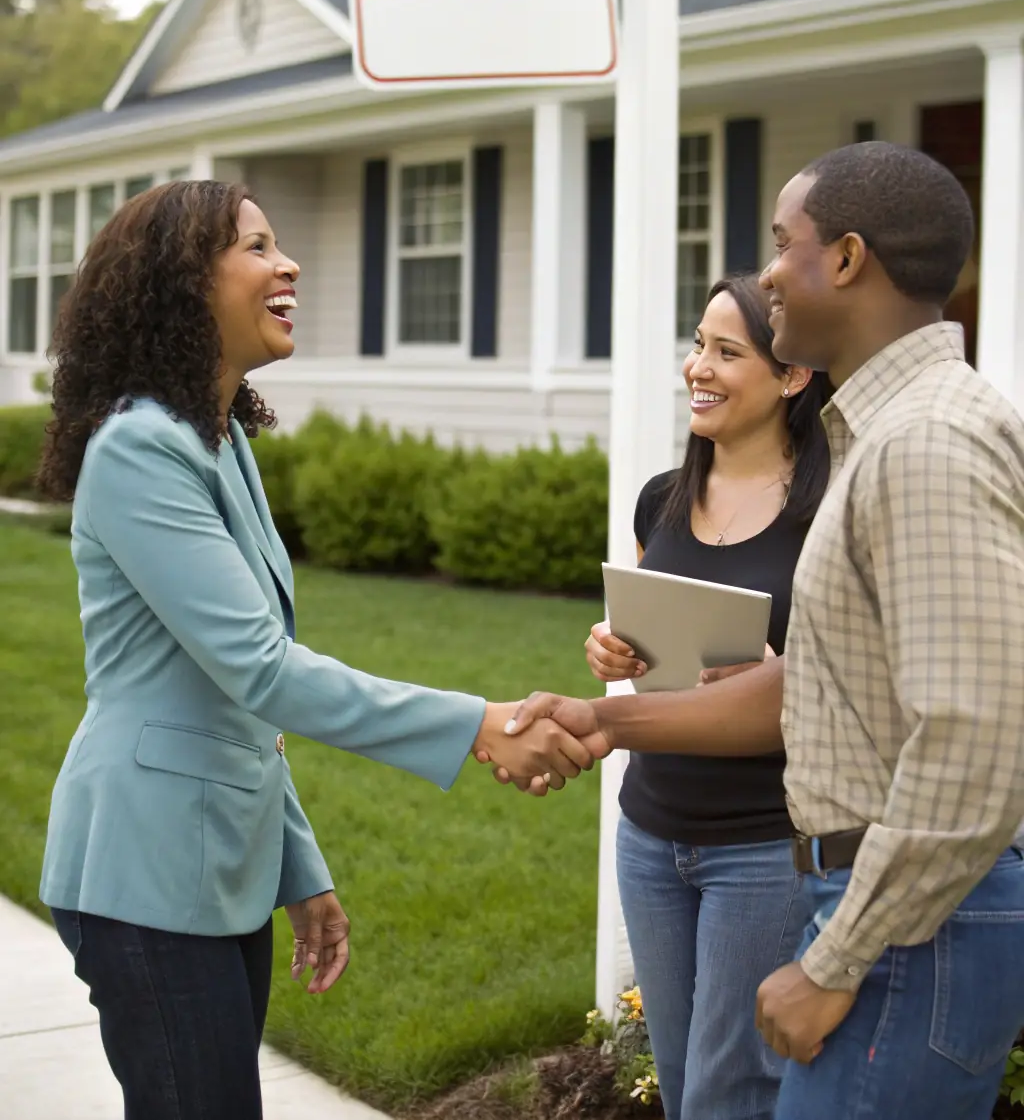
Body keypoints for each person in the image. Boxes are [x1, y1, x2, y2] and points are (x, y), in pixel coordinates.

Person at [36, 180, 598, 1120]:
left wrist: (299, 868)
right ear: (183, 285)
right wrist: (481, 724)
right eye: (255, 247)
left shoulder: (217, 442)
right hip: (143, 872)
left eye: (279, 243)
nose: (286, 263)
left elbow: (235, 698)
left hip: (210, 870)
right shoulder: (139, 448)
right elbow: (262, 666)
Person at [494, 142, 1024, 1120]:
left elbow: (975, 738)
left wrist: (833, 960)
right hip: (891, 908)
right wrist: (610, 709)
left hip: (912, 926)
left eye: (785, 244)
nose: (770, 271)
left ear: (849, 259)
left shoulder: (923, 446)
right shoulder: (887, 435)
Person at [584, 273, 831, 1120]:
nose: (700, 366)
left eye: (728, 351)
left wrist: (777, 665)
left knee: (735, 1092)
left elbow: (849, 677)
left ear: (792, 374)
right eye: (699, 344)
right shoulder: (664, 497)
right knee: (686, 1081)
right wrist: (610, 645)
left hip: (763, 847)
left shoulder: (829, 512)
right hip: (651, 837)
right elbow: (654, 647)